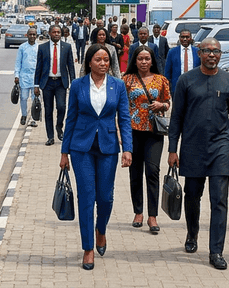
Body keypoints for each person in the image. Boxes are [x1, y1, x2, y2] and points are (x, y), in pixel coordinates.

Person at [167, 38, 229, 270]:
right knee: (192, 196)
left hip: (221, 146)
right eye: (208, 51)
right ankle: (192, 234)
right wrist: (172, 148)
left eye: (216, 51)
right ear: (199, 53)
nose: (212, 55)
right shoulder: (186, 80)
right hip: (192, 146)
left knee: (219, 200)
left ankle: (216, 251)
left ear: (221, 55)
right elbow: (176, 117)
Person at [59, 43, 133, 271]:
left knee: (106, 197)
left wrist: (127, 148)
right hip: (81, 148)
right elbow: (70, 120)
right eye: (98, 60)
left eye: (106, 60)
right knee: (86, 197)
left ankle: (101, 230)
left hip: (108, 147)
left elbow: (124, 119)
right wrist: (64, 152)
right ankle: (88, 248)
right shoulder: (78, 85)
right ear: (89, 62)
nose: (103, 64)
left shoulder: (118, 86)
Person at [122, 45, 170, 235]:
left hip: (154, 131)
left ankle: (153, 216)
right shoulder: (126, 80)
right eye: (140, 59)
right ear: (135, 60)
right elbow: (120, 106)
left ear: (152, 61)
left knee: (152, 171)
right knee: (135, 173)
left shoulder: (161, 80)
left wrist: (162, 104)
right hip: (132, 131)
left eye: (147, 59)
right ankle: (138, 212)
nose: (143, 62)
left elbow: (168, 102)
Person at [34, 24, 76, 145]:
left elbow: (71, 67)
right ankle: (50, 136)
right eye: (54, 32)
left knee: (62, 107)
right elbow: (39, 67)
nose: (56, 34)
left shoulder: (66, 47)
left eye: (58, 32)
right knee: (48, 110)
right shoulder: (42, 48)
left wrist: (74, 82)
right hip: (47, 82)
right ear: (49, 33)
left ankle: (59, 126)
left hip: (60, 82)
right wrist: (36, 85)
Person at [14, 27, 40, 127]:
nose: (32, 36)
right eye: (30, 34)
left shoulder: (39, 48)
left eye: (34, 34)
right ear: (27, 35)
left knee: (35, 98)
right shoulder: (22, 47)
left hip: (35, 77)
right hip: (24, 76)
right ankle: (24, 115)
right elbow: (18, 62)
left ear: (36, 36)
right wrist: (17, 75)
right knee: (23, 97)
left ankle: (34, 119)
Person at [163, 29, 200, 98]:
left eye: (187, 37)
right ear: (179, 38)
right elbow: (167, 71)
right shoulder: (172, 52)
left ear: (191, 38)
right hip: (177, 87)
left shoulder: (197, 52)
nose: (185, 39)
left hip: (194, 86)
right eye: (182, 37)